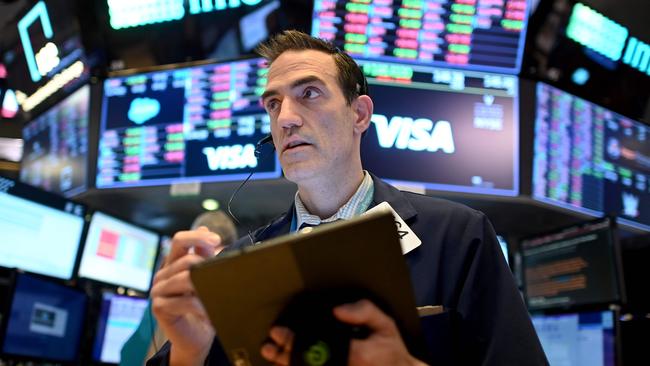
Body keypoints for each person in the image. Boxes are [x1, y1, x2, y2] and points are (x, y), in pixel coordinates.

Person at [148, 30, 548, 365]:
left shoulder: (459, 236)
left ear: (359, 115)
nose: (285, 117)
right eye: (274, 103)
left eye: (309, 93)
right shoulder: (237, 266)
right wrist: (190, 352)